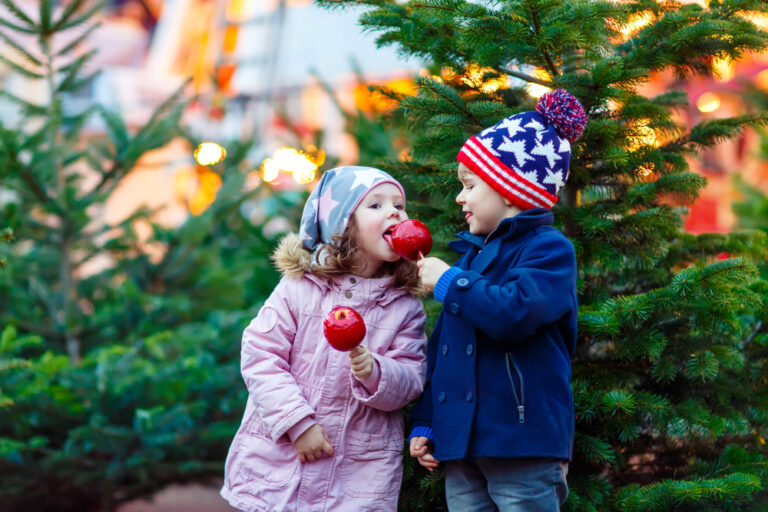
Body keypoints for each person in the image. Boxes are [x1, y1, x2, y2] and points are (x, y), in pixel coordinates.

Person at [408, 89, 587, 511]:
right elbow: (446, 347)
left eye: (469, 185)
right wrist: (428, 421)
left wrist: (450, 282)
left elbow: (515, 312)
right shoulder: (471, 256)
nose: (459, 197)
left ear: (510, 189)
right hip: (462, 443)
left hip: (521, 441)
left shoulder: (549, 250)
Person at [221, 166, 427, 512]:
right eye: (375, 205)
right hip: (283, 464)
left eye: (399, 205)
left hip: (355, 474)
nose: (395, 211)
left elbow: (412, 379)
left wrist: (374, 371)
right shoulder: (300, 288)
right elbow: (260, 353)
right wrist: (297, 424)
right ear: (342, 224)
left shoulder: (404, 307)